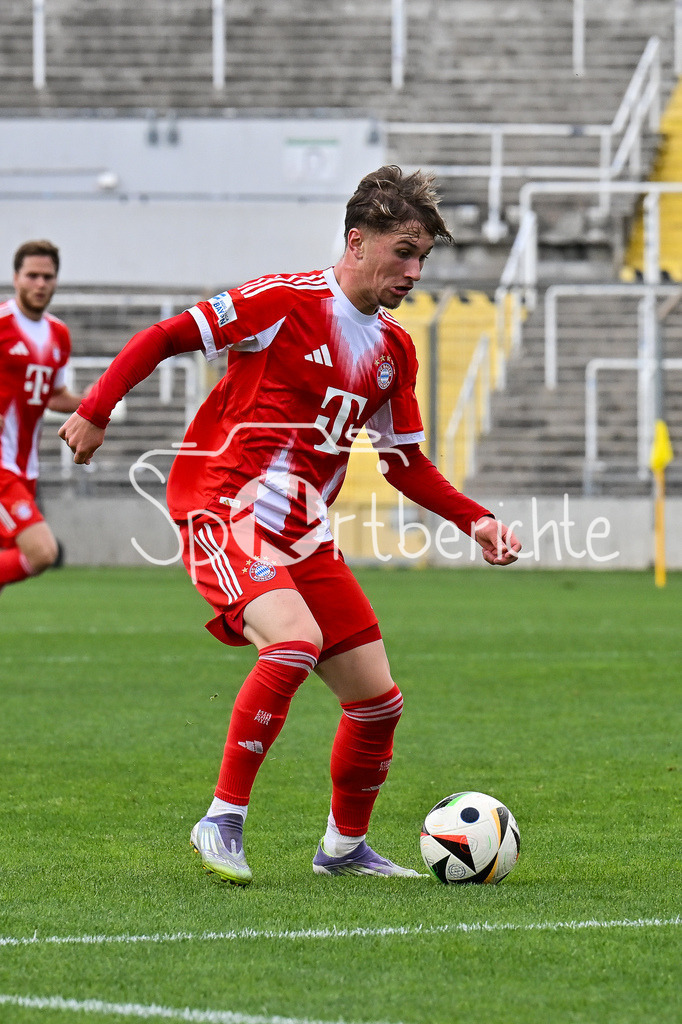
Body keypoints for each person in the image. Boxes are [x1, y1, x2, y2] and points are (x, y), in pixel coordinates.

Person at [59, 166, 521, 884]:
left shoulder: (395, 351)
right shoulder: (280, 301)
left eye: (423, 257)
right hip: (224, 506)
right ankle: (221, 818)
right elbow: (164, 337)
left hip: (304, 534)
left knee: (376, 701)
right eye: (404, 251)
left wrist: (478, 520)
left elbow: (403, 465)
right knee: (295, 640)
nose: (414, 270)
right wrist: (95, 407)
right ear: (355, 240)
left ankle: (342, 850)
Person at [0, 240, 86, 593]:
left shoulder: (58, 334)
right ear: (16, 277)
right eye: (32, 275)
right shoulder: (2, 323)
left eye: (47, 276)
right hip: (1, 467)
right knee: (41, 553)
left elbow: (54, 396)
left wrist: (94, 402)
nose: (40, 283)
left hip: (25, 468)